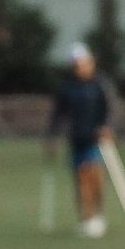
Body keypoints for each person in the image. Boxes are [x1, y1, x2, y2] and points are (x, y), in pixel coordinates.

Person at [47, 43, 113, 237]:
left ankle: (97, 215)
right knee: (82, 177)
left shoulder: (100, 84)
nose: (80, 68)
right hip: (77, 138)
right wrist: (51, 137)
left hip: (96, 138)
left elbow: (109, 108)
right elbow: (58, 114)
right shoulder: (67, 87)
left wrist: (107, 126)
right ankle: (87, 217)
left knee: (95, 177)